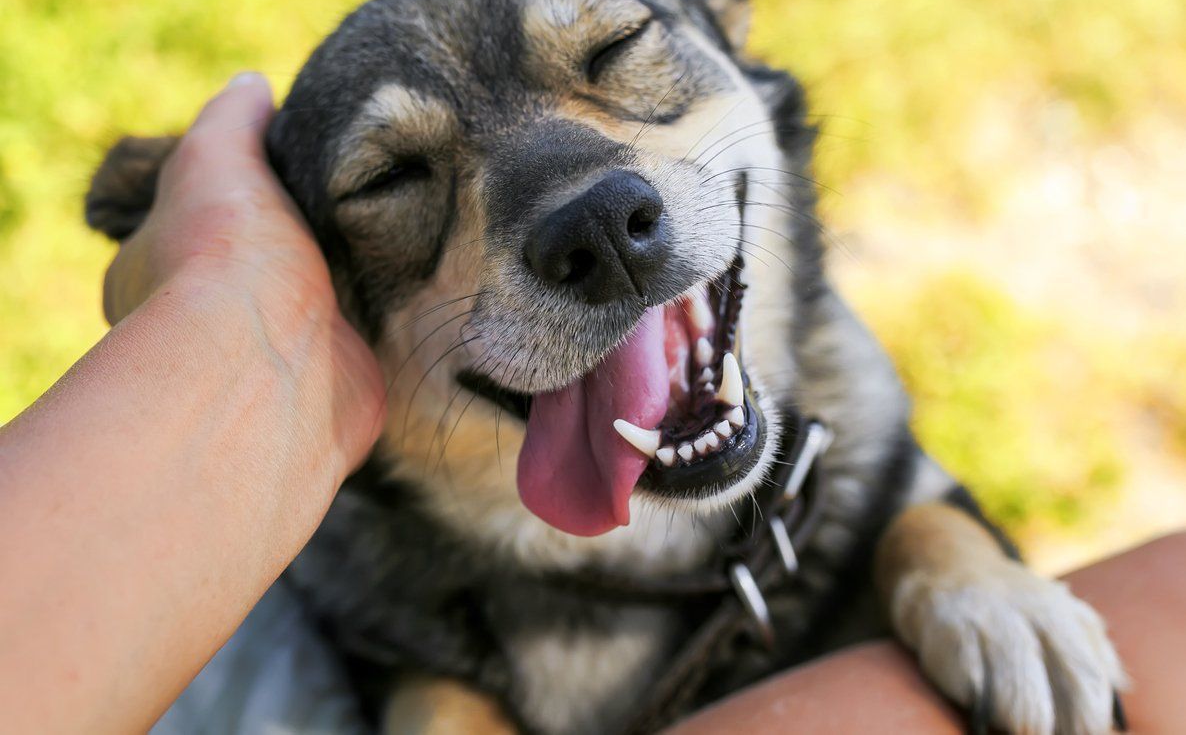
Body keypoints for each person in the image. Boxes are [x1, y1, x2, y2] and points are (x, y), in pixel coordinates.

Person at [0, 74, 1181, 734]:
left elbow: (892, 490)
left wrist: (940, 553)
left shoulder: (838, 400)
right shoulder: (348, 564)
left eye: (617, 55)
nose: (586, 204)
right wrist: (230, 313)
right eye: (395, 175)